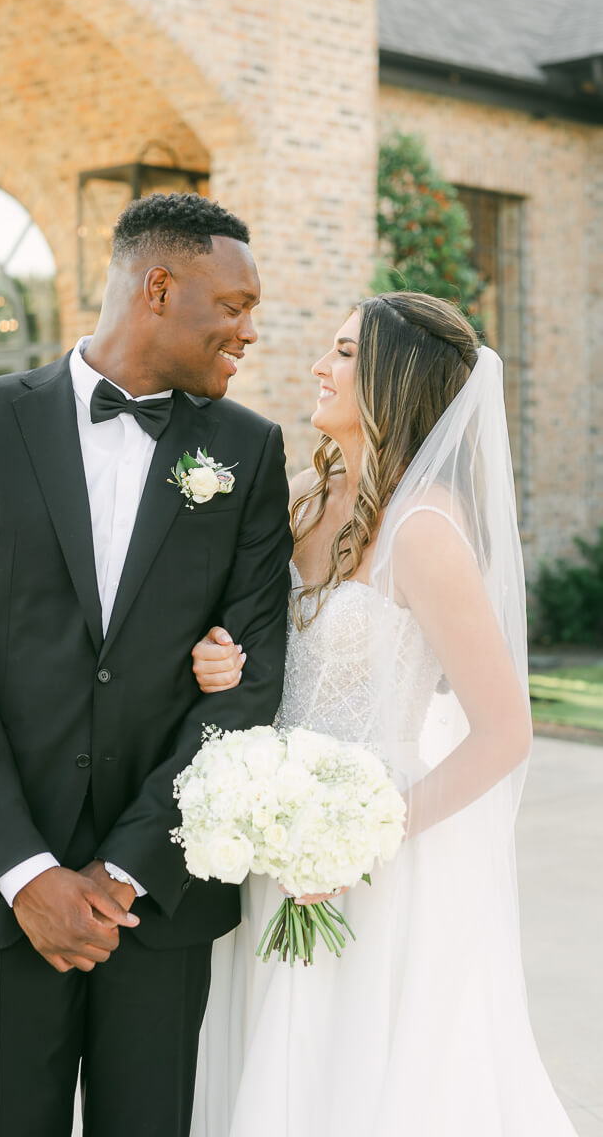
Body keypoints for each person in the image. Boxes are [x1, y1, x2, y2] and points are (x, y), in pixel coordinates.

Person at [0, 192, 293, 1137]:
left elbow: (250, 681)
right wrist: (27, 872)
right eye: (234, 306)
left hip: (161, 896)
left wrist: (127, 868)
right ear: (159, 286)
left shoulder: (249, 450)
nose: (249, 331)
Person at [188, 293, 577, 1136]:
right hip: (269, 833)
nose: (317, 368)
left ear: (391, 382)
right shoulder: (300, 496)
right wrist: (222, 656)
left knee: (357, 1076)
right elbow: (264, 645)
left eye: (339, 353)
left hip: (373, 854)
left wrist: (365, 837)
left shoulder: (427, 531)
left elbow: (506, 731)